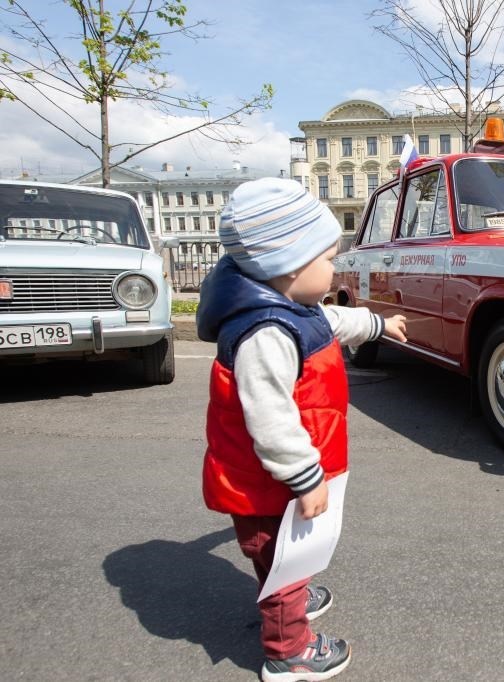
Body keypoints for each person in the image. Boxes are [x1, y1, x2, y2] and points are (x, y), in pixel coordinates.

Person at [196, 178, 407, 681]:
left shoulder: (292, 308)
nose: (335, 267)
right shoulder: (265, 332)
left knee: (290, 554)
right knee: (280, 565)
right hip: (269, 484)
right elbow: (270, 419)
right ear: (289, 264)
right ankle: (288, 651)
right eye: (329, 258)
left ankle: (290, 595)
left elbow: (332, 321)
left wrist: (377, 325)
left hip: (281, 479)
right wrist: (306, 478)